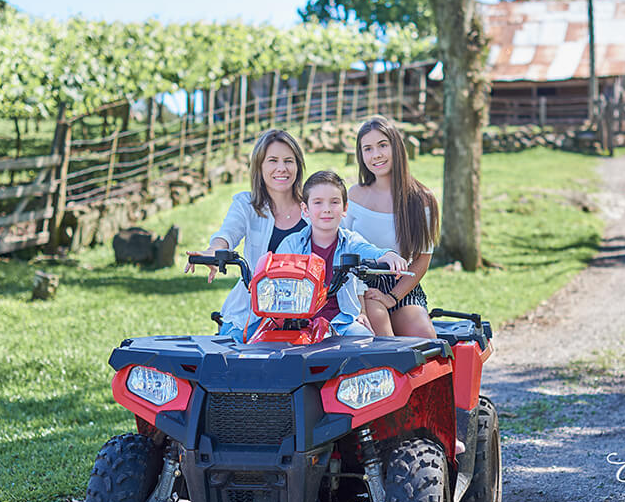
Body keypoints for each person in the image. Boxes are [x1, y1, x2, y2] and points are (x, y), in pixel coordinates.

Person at [185, 128, 308, 341]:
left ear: (298, 166)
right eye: (273, 161)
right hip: (253, 311)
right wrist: (214, 251)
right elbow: (227, 234)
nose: (282, 168)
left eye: (289, 161)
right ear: (259, 166)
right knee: (235, 353)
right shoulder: (246, 205)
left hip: (305, 311)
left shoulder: (313, 207)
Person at [275, 171, 408, 336]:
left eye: (334, 202)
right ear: (305, 209)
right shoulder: (291, 245)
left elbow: (368, 249)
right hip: (298, 324)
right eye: (318, 202)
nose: (327, 209)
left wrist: (387, 255)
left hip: (342, 322)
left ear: (345, 208)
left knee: (363, 338)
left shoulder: (351, 241)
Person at [345, 116, 440, 339]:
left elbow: (422, 260)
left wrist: (392, 297)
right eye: (368, 149)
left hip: (401, 284)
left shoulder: (421, 199)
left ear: (396, 147)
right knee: (385, 340)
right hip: (361, 285)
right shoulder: (354, 195)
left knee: (426, 338)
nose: (376, 154)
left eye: (382, 145)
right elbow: (342, 246)